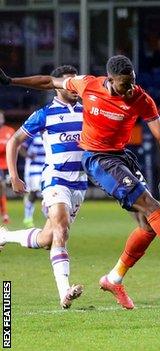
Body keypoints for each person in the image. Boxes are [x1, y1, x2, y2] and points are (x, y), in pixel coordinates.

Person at [0, 55, 160, 310]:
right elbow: (50, 81)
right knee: (151, 208)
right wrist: (11, 81)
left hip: (121, 157)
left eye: (133, 82)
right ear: (110, 81)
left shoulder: (140, 98)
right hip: (96, 160)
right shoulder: (88, 86)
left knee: (149, 227)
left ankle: (114, 278)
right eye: (124, 85)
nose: (130, 89)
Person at [0, 65, 84, 309]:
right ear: (57, 85)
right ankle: (64, 291)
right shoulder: (44, 114)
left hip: (79, 184)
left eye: (76, 82)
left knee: (49, 238)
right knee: (62, 227)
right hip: (55, 179)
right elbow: (14, 141)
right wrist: (14, 175)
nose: (74, 87)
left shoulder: (88, 112)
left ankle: (5, 236)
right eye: (68, 82)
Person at [20, 133, 45, 227]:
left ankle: (49, 217)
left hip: (46, 167)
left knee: (47, 193)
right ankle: (28, 218)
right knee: (34, 192)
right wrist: (29, 156)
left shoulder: (50, 131)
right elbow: (21, 148)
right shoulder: (33, 135)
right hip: (33, 168)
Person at [0, 110, 15, 224]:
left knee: (3, 189)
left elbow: (14, 148)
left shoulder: (9, 131)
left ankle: (5, 213)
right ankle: (5, 214)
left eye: (1, 117)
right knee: (2, 187)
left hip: (8, 166)